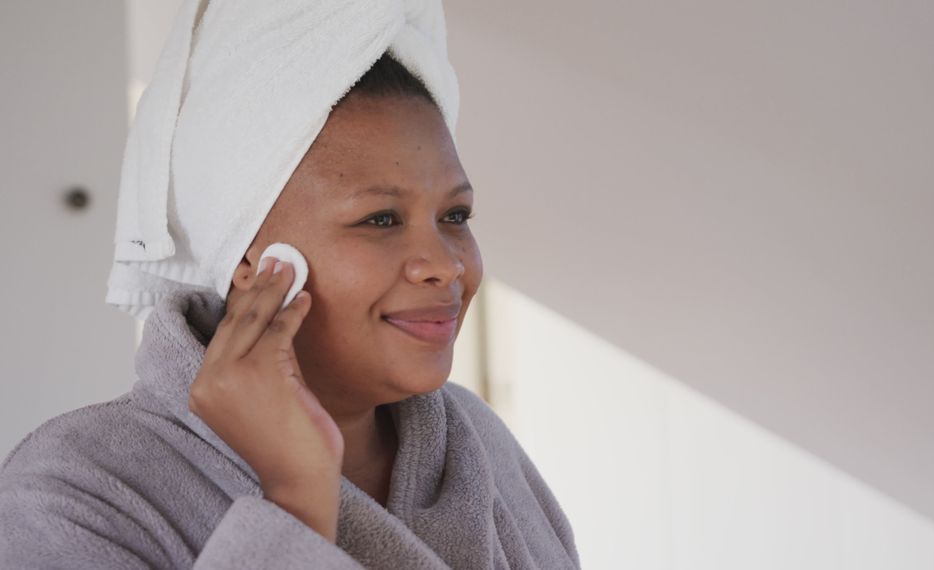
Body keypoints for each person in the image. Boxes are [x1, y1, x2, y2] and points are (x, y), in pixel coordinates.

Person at [0, 41, 579, 570]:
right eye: (380, 219)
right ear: (249, 262)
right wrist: (296, 498)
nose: (447, 264)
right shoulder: (75, 489)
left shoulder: (474, 440)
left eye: (455, 216)